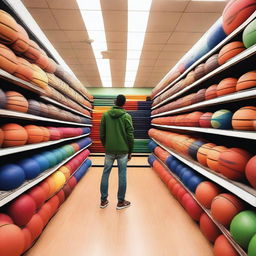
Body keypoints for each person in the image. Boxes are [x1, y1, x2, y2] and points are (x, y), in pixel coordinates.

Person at [100, 94, 134, 210]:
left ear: (115, 102)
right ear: (124, 103)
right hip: (123, 150)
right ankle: (120, 202)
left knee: (105, 173)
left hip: (109, 150)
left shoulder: (105, 115)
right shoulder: (127, 116)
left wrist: (107, 145)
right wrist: (130, 151)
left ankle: (103, 201)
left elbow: (102, 134)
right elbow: (130, 135)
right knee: (122, 175)